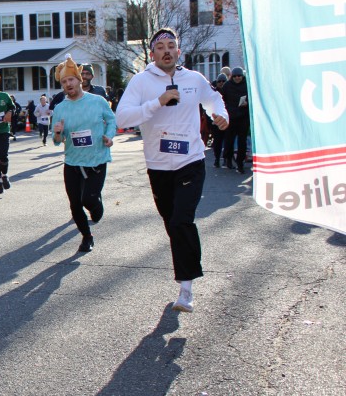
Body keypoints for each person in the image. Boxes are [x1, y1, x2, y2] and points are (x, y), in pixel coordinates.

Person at [115, 28, 229, 313]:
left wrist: (221, 115)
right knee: (171, 222)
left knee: (181, 220)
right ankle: (185, 272)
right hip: (158, 166)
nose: (166, 51)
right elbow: (123, 117)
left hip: (190, 160)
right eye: (160, 47)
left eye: (171, 46)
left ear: (179, 51)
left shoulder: (194, 79)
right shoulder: (141, 82)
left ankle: (186, 288)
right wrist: (157, 103)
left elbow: (213, 99)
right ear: (152, 54)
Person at [50, 56, 117, 253]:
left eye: (71, 79)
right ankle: (87, 237)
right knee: (75, 204)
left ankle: (96, 206)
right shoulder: (60, 108)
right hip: (73, 161)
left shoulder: (98, 101)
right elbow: (56, 140)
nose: (68, 84)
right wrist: (57, 133)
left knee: (89, 199)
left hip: (96, 159)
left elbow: (111, 120)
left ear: (79, 80)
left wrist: (109, 136)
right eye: (64, 81)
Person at [219, 67, 249, 173]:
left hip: (243, 116)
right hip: (231, 116)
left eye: (239, 76)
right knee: (229, 139)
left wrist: (247, 103)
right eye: (235, 76)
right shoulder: (227, 85)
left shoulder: (247, 85)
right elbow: (221, 99)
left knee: (242, 141)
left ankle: (240, 162)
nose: (237, 78)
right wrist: (224, 110)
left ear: (242, 76)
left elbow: (252, 98)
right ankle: (228, 159)